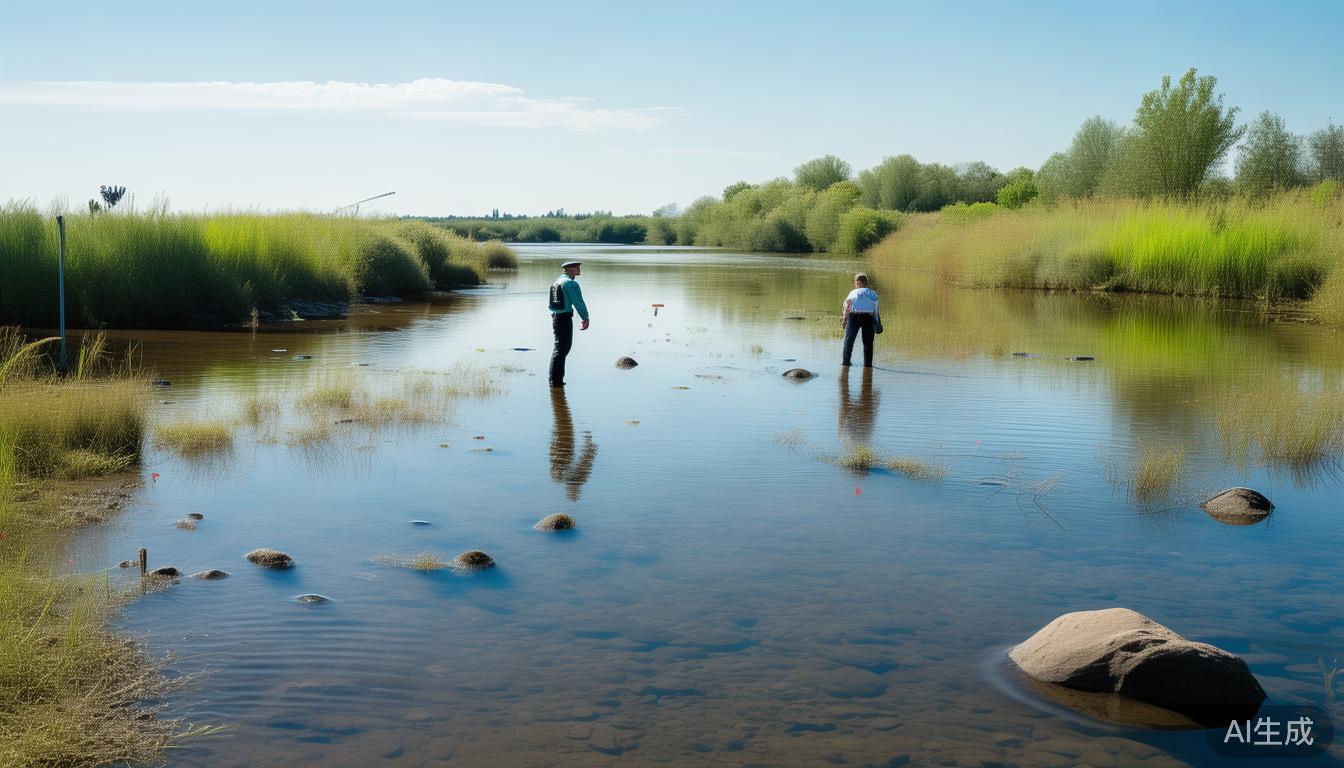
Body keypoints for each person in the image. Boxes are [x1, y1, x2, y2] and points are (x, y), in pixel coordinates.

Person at [548, 260, 590, 387]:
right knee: (562, 349)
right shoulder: (570, 284)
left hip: (556, 317)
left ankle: (555, 381)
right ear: (571, 269)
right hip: (564, 319)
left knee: (560, 349)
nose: (580, 270)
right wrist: (585, 317)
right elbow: (578, 302)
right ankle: (555, 381)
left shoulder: (558, 281)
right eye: (578, 267)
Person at [841, 272, 879, 367]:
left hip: (854, 316)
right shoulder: (873, 293)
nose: (855, 283)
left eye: (855, 281)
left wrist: (844, 320)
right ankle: (868, 365)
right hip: (868, 317)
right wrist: (877, 322)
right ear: (866, 283)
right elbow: (875, 310)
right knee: (868, 343)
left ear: (859, 282)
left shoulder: (853, 292)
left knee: (849, 341)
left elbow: (847, 307)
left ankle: (845, 363)